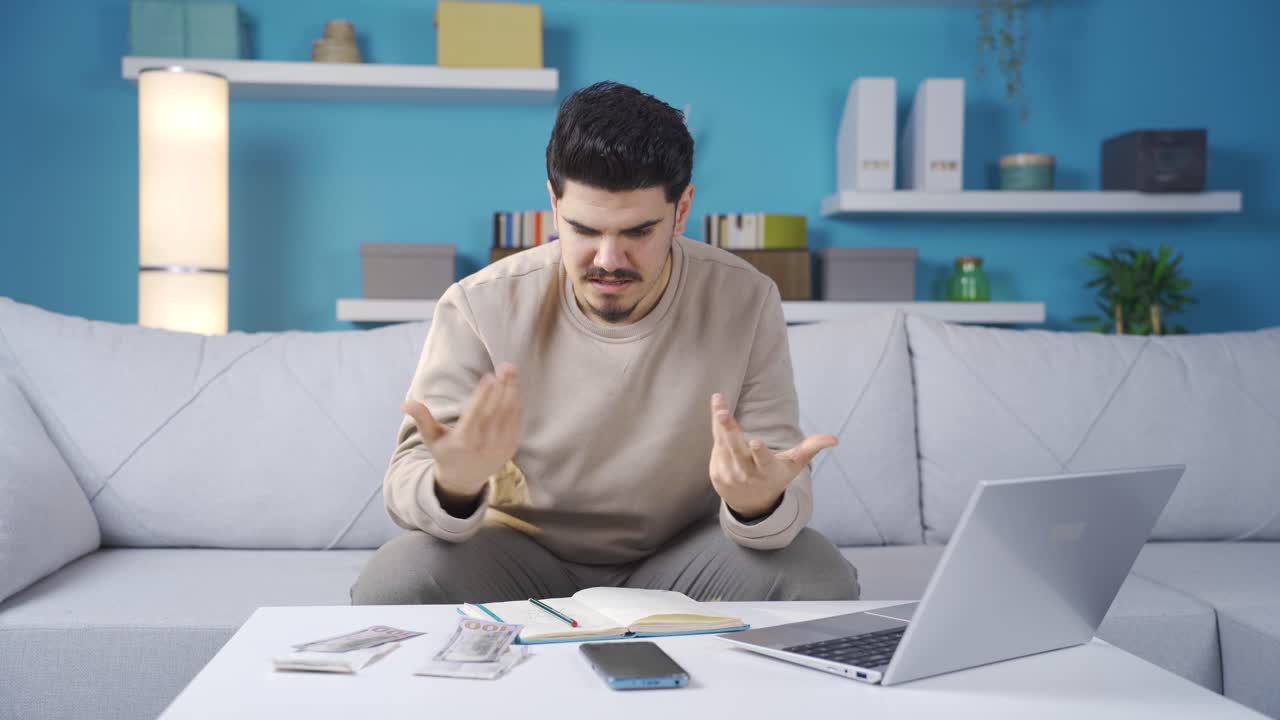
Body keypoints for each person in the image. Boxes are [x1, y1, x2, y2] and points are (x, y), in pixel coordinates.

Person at [351, 81, 860, 605]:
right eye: (585, 230)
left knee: (816, 573)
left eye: (638, 232)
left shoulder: (747, 299)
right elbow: (407, 480)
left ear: (682, 209)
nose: (609, 260)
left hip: (683, 559)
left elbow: (779, 469)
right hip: (517, 558)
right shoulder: (478, 305)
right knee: (397, 579)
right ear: (554, 205)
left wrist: (758, 503)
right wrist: (453, 485)